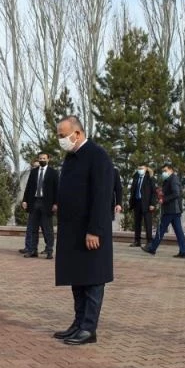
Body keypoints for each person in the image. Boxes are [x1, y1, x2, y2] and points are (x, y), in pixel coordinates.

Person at [51, 116, 113, 346]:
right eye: (58, 135)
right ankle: (77, 323)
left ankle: (89, 328)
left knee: (93, 279)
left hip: (91, 231)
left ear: (77, 133)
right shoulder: (71, 157)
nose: (61, 140)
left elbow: (102, 196)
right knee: (77, 278)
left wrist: (95, 230)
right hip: (72, 232)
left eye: (62, 135)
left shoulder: (97, 156)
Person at [142, 163, 185, 258]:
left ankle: (152, 248)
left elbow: (176, 193)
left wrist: (164, 199)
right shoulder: (168, 179)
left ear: (171, 170)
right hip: (174, 210)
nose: (163, 173)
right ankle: (183, 251)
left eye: (165, 171)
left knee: (161, 229)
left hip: (171, 209)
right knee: (178, 232)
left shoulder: (173, 179)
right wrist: (161, 193)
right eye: (163, 171)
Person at [21, 152, 59, 259]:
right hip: (34, 202)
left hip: (47, 203)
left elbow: (57, 189)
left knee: (47, 229)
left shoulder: (53, 173)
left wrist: (56, 203)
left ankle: (49, 250)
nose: (42, 160)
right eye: (40, 158)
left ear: (48, 159)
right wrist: (25, 200)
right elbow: (28, 187)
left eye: (44, 158)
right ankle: (33, 250)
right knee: (33, 228)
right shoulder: (34, 172)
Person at [128, 165, 157, 247]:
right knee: (137, 223)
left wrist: (152, 204)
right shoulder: (136, 177)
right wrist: (131, 202)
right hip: (137, 202)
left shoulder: (150, 178)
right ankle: (137, 241)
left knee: (148, 223)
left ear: (146, 169)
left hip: (147, 204)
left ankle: (149, 242)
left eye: (142, 168)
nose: (140, 170)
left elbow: (154, 192)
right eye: (139, 168)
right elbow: (132, 191)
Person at [19, 159, 41, 255]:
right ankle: (28, 247)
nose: (35, 168)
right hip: (32, 206)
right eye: (33, 166)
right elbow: (27, 190)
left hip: (43, 206)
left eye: (37, 166)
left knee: (45, 229)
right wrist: (24, 200)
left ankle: (47, 249)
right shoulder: (30, 176)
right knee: (30, 228)